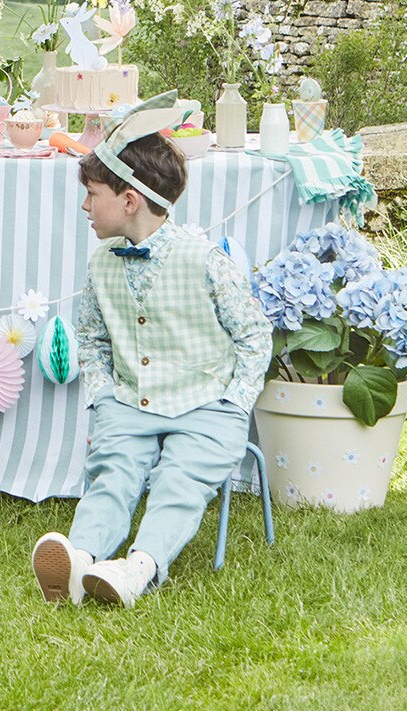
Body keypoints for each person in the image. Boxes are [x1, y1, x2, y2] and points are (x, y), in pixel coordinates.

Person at [31, 92, 271, 608]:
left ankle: (139, 568)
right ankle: (80, 560)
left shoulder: (204, 259)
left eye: (92, 193)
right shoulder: (101, 263)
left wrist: (234, 403)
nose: (85, 205)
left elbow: (254, 336)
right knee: (113, 469)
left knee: (179, 479)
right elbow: (92, 339)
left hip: (207, 403)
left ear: (130, 200)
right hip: (129, 400)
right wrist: (102, 398)